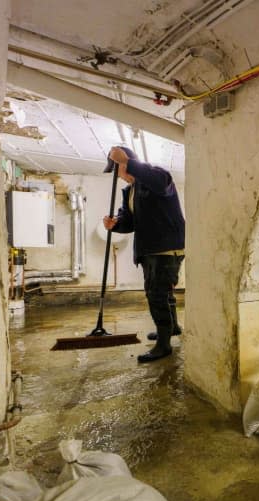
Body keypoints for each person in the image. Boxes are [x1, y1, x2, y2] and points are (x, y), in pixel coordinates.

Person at [102, 146, 185, 363]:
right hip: (149, 248)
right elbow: (129, 222)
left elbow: (160, 182)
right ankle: (172, 327)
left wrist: (128, 160)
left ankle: (164, 345)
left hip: (165, 247)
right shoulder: (130, 191)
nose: (117, 176)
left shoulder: (156, 177)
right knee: (163, 292)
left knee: (156, 294)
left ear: (123, 166)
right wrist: (115, 225)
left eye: (117, 169)